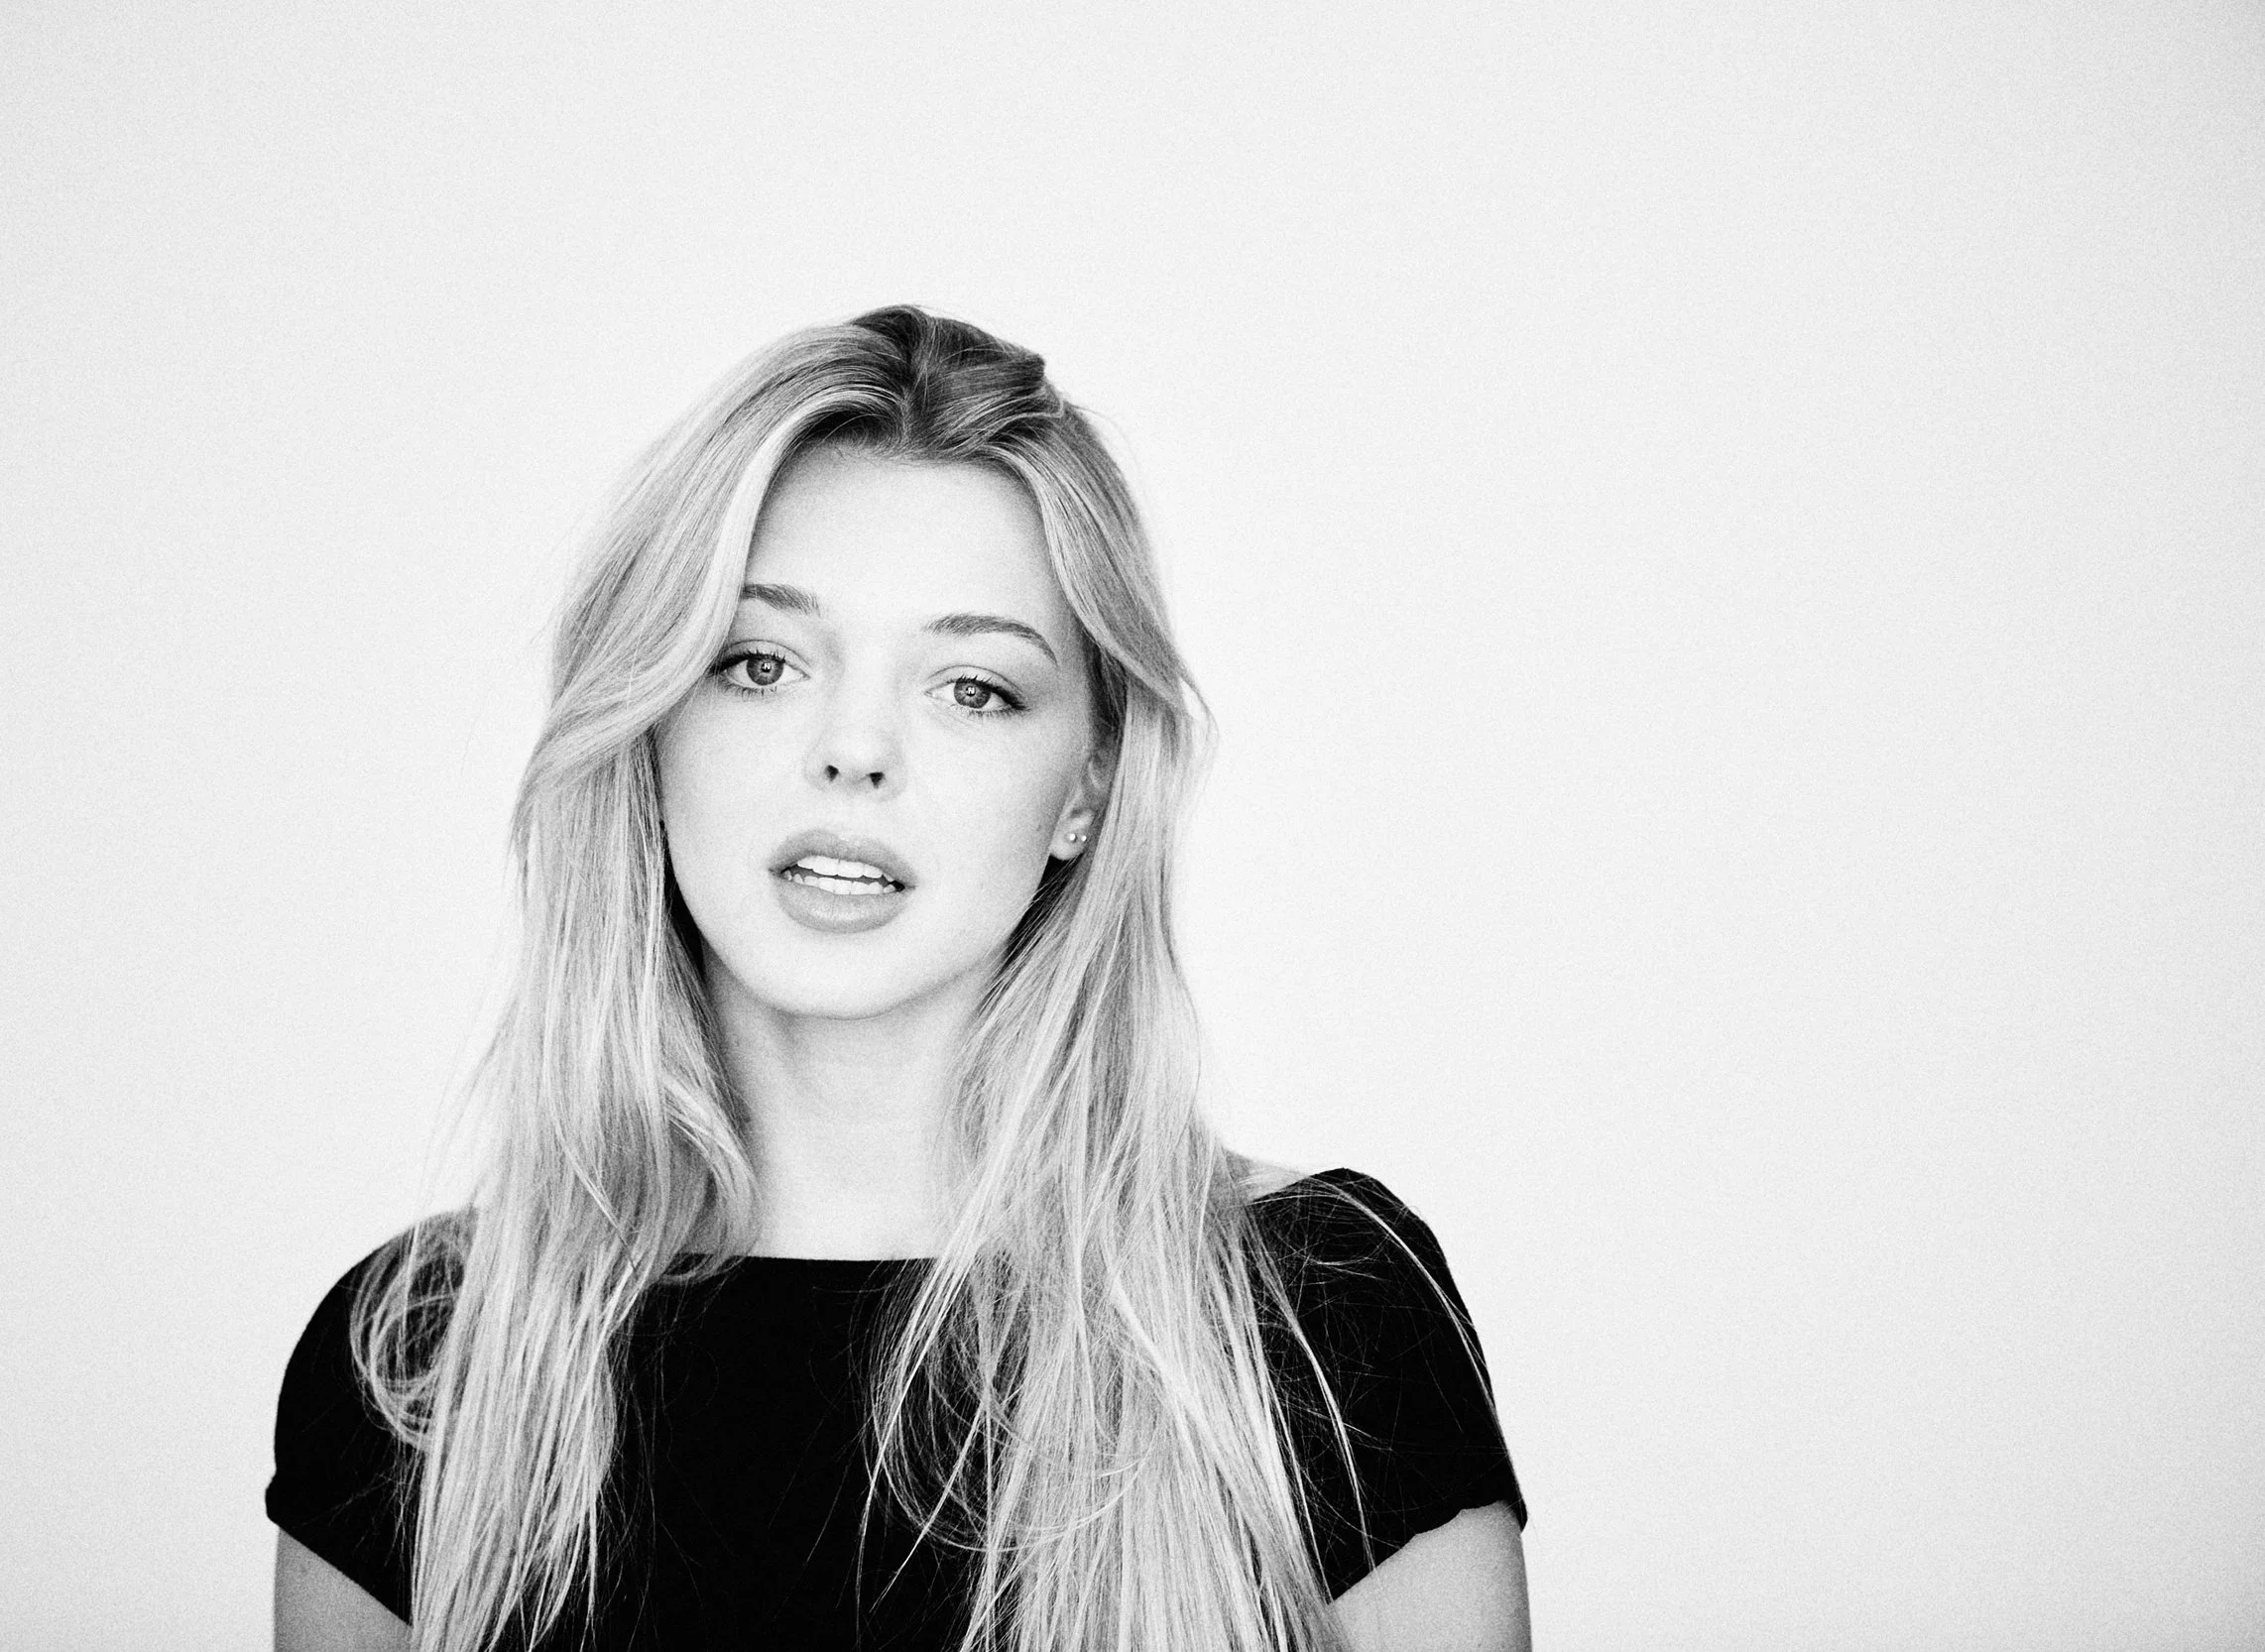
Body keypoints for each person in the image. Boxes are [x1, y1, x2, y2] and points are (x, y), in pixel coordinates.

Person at [266, 305, 1530, 1652]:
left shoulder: (1320, 1317)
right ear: (649, 723)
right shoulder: (418, 1366)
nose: (854, 749)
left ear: (1087, 789)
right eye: (760, 663)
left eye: (971, 686)